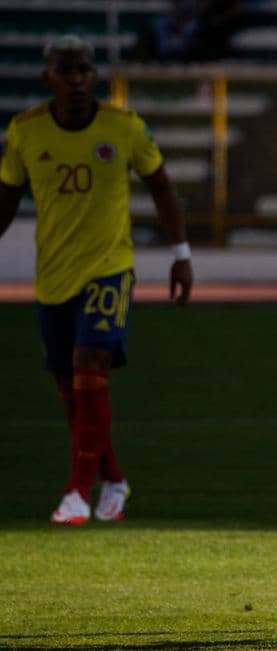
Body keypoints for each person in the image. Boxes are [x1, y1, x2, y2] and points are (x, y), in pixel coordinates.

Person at [0, 35, 194, 524]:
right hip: (53, 277)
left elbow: (163, 189)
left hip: (110, 269)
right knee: (71, 388)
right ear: (48, 77)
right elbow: (4, 203)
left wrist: (181, 254)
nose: (78, 80)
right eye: (67, 71)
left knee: (90, 365)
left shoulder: (124, 128)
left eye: (85, 70)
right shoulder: (25, 133)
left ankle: (74, 492)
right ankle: (114, 479)